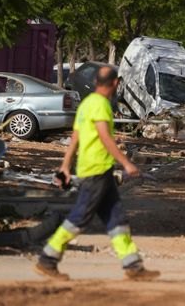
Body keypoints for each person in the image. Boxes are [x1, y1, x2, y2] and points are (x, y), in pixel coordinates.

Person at [35, 66, 159, 281]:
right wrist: (126, 164)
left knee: (116, 218)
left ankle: (133, 265)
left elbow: (75, 136)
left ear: (95, 83)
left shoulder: (86, 104)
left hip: (97, 169)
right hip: (97, 170)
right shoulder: (101, 104)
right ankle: (47, 258)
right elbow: (104, 136)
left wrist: (65, 165)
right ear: (115, 84)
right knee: (80, 217)